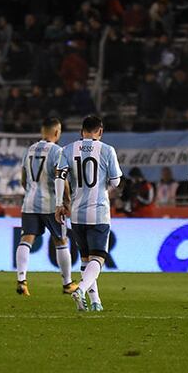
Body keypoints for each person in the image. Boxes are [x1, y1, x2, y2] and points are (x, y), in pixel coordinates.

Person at [55, 116, 121, 312]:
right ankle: (81, 289)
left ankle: (95, 302)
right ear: (100, 131)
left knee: (86, 260)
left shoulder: (68, 149)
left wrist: (60, 204)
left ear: (81, 131)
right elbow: (116, 181)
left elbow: (60, 177)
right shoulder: (107, 150)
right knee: (98, 258)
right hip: (98, 211)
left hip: (76, 213)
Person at [16, 118, 78, 297]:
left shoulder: (30, 150)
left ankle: (21, 280)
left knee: (26, 239)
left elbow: (23, 178)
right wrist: (66, 201)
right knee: (61, 241)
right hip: (51, 204)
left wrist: (31, 192)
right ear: (57, 132)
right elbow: (62, 179)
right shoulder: (58, 151)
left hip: (29, 203)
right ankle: (67, 284)